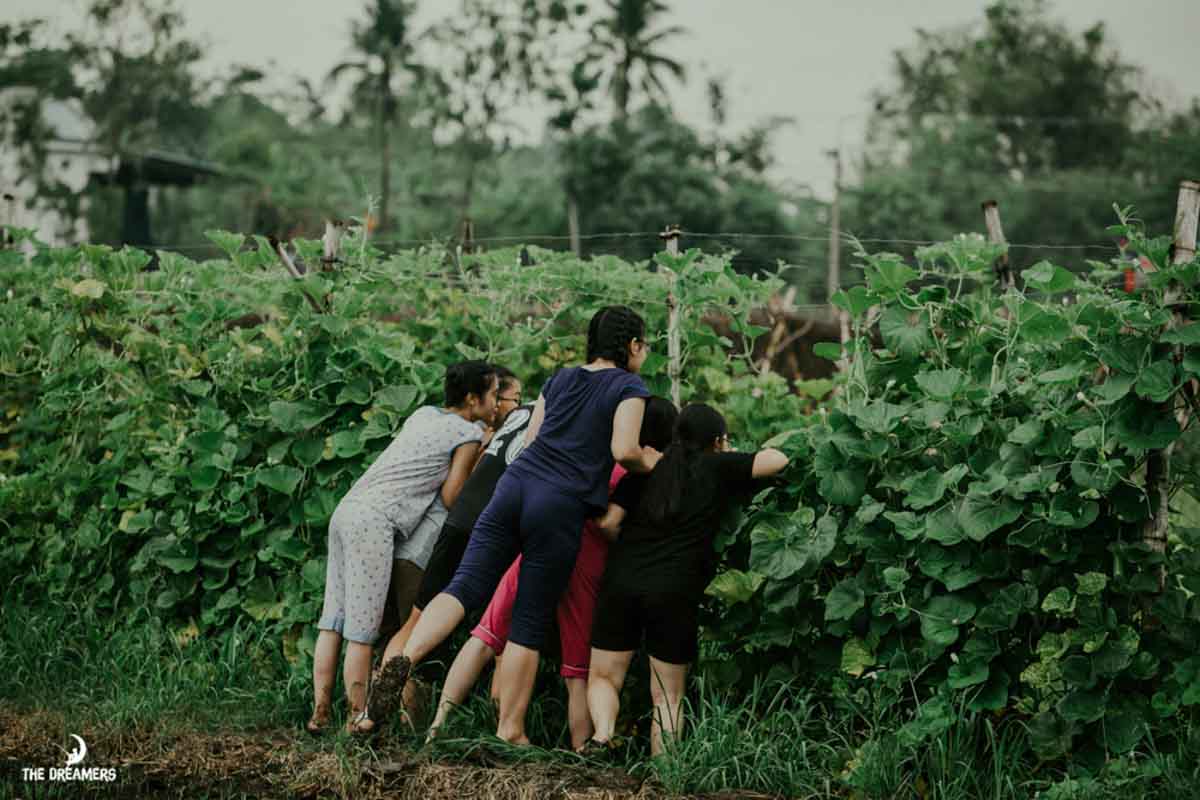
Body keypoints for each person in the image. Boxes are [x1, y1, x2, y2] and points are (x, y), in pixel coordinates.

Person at [365, 305, 661, 743]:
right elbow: (624, 450)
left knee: (464, 585)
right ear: (633, 345)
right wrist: (651, 460)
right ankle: (511, 730)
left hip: (515, 486)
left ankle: (405, 655)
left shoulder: (559, 378)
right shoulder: (629, 386)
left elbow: (532, 438)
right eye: (644, 344)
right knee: (529, 619)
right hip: (558, 504)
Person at [428, 396, 678, 749]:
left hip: (542, 548)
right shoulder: (642, 472)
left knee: (485, 637)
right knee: (577, 671)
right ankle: (583, 750)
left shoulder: (595, 455)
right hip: (588, 567)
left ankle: (436, 726)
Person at [583, 403, 789, 757]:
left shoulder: (646, 470)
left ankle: (601, 736)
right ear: (718, 440)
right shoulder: (717, 466)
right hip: (674, 588)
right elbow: (777, 459)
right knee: (667, 695)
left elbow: (608, 523)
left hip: (623, 580)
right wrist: (728, 455)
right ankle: (664, 777)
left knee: (603, 677)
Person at [308, 361, 498, 735]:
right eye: (492, 395)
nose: (495, 404)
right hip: (375, 523)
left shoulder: (423, 413)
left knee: (333, 619)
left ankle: (319, 713)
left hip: (347, 510)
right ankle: (356, 718)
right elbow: (452, 495)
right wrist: (481, 453)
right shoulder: (468, 433)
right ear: (473, 399)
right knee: (362, 632)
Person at [373, 367, 527, 715]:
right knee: (424, 640)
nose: (518, 408)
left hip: (408, 545)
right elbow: (454, 496)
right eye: (513, 399)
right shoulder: (475, 438)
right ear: (490, 401)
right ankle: (403, 722)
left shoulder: (431, 418)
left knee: (411, 630)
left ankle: (375, 712)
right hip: (429, 550)